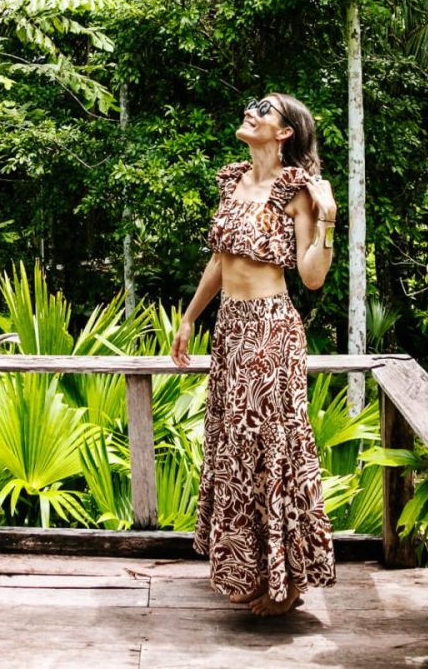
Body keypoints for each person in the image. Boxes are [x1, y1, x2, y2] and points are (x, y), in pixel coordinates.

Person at [171, 92, 338, 617]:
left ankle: (284, 586)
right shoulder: (233, 181)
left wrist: (328, 222)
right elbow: (222, 260)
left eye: (263, 109)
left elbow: (311, 278)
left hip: (270, 328)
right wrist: (190, 317)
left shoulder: (297, 192)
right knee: (233, 447)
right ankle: (248, 570)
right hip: (231, 329)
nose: (250, 111)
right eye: (250, 105)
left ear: (284, 132)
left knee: (269, 448)